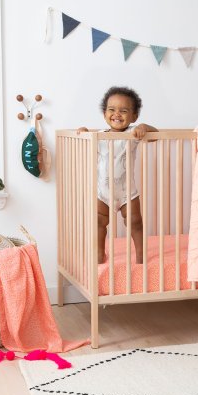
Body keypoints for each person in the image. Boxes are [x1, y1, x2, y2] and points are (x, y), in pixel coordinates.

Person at [77, 86, 158, 264]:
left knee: (135, 222)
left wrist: (145, 127)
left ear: (134, 116)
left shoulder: (134, 133)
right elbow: (84, 137)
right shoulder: (98, 136)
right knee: (99, 223)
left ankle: (140, 254)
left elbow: (156, 136)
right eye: (111, 110)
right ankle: (99, 253)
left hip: (127, 191)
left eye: (124, 111)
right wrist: (83, 131)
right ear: (105, 113)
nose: (117, 114)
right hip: (103, 192)